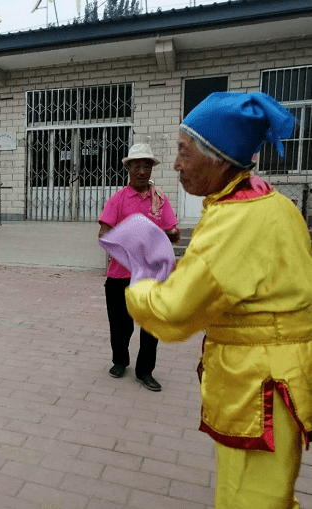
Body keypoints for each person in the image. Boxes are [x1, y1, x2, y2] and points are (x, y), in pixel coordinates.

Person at [124, 92, 312, 508]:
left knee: (251, 500)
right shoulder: (275, 204)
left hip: (259, 383)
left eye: (183, 152)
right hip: (278, 373)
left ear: (221, 158)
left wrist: (139, 287)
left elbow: (175, 311)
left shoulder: (236, 219)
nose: (175, 165)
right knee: (268, 494)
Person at [98, 143, 180, 392]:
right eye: (137, 167)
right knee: (120, 325)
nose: (142, 171)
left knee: (151, 326)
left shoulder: (160, 200)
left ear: (151, 170)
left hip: (152, 276)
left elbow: (173, 233)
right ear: (129, 169)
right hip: (120, 274)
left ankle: (145, 371)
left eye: (146, 166)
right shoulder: (118, 199)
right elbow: (104, 233)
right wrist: (130, 247)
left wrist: (168, 234)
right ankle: (120, 361)